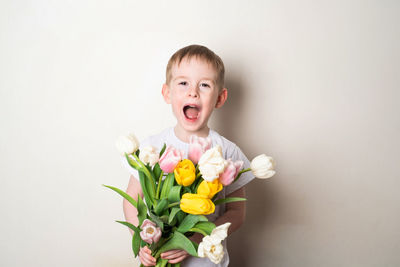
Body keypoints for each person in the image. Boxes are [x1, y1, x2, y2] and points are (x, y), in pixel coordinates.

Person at [122, 44, 254, 267]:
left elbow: (236, 212)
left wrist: (198, 238)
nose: (193, 92)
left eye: (204, 85)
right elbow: (131, 201)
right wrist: (143, 239)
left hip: (207, 262)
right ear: (167, 93)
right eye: (183, 83)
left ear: (220, 98)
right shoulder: (151, 148)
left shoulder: (227, 151)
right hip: (158, 259)